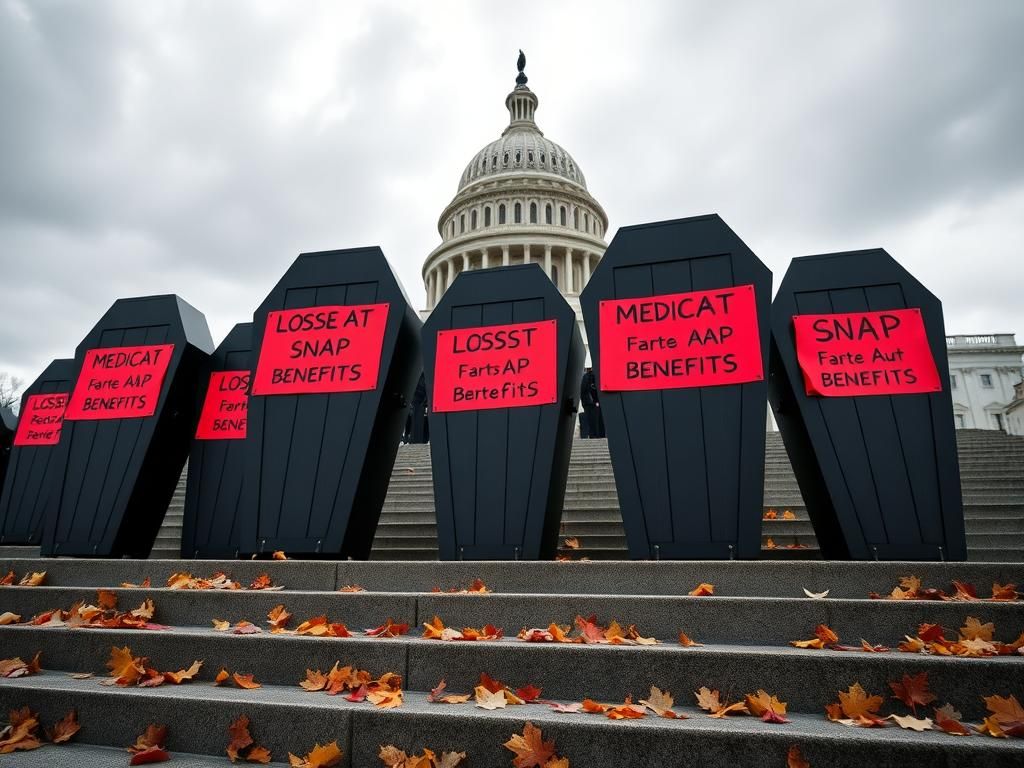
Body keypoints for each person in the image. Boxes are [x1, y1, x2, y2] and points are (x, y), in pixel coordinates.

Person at [580, 367, 603, 439]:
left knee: (590, 419)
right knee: (596, 419)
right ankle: (597, 434)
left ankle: (593, 435)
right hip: (593, 402)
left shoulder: (585, 376)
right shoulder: (592, 376)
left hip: (587, 402)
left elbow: (582, 390)